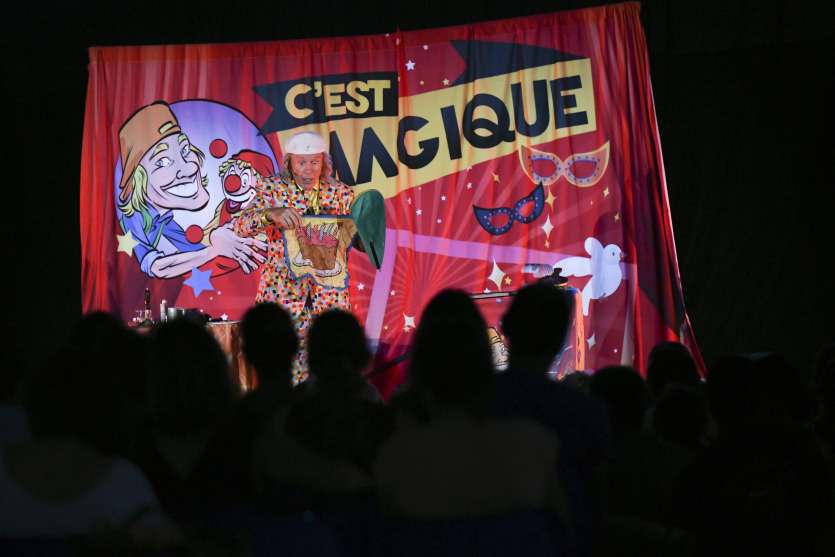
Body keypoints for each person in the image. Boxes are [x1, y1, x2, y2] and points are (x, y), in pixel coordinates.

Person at [233, 131, 356, 382]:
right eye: (301, 162)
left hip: (328, 294)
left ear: (324, 162)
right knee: (280, 367)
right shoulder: (272, 189)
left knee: (331, 366)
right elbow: (240, 226)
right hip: (283, 292)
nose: (308, 169)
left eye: (315, 162)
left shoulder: (342, 194)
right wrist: (270, 214)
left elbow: (360, 238)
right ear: (289, 163)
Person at [117, 101, 265, 278]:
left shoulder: (164, 220)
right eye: (162, 161)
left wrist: (223, 237)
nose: (188, 168)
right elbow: (157, 267)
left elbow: (195, 253)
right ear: (138, 178)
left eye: (185, 149)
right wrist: (214, 250)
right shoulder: (133, 218)